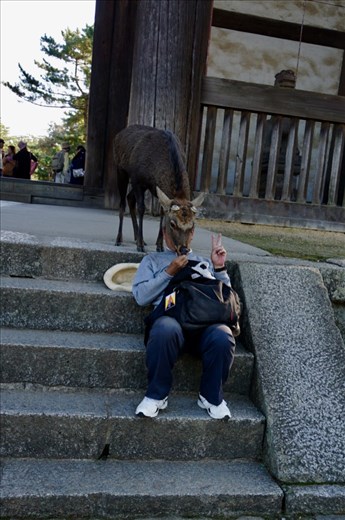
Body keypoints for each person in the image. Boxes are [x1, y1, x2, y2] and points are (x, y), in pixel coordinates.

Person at [132, 225, 236, 420]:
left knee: (223, 335)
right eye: (174, 233)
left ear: (193, 234)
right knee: (164, 329)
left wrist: (219, 267)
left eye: (187, 233)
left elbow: (226, 299)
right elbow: (141, 296)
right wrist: (169, 272)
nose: (181, 238)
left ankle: (211, 397)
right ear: (164, 234)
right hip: (172, 323)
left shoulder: (203, 261)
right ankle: (156, 395)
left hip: (205, 324)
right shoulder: (152, 260)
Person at [260, 69, 301, 200]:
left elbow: (295, 154)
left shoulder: (293, 127)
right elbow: (263, 155)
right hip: (269, 173)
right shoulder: (268, 125)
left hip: (286, 174)